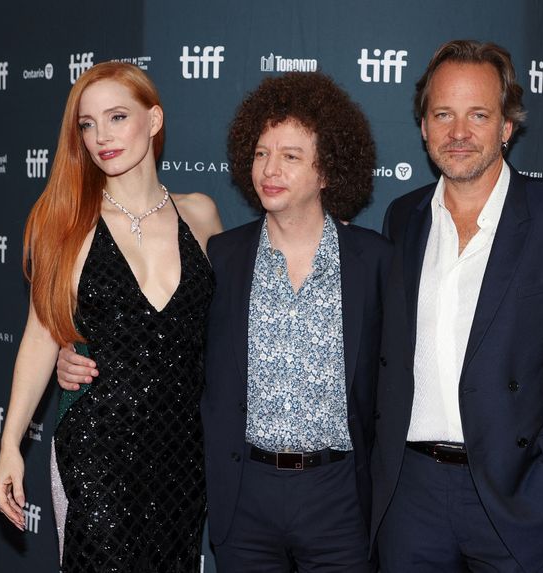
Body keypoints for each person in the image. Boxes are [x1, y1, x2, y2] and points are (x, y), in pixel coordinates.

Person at [57, 71, 391, 572]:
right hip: (246, 496)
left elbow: (396, 384)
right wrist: (76, 351)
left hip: (338, 496)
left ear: (327, 172)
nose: (269, 169)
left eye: (290, 156)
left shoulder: (372, 260)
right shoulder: (226, 255)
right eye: (260, 154)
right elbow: (166, 331)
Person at [370, 40, 543, 573]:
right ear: (423, 125)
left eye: (478, 115)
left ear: (506, 126)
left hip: (519, 494)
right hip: (410, 495)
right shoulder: (403, 218)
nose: (458, 133)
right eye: (443, 114)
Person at [0, 61, 222, 572]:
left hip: (183, 455)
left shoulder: (200, 215)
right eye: (87, 124)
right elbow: (39, 337)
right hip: (98, 452)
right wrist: (10, 446)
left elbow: (219, 333)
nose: (101, 137)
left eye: (117, 117)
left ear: (154, 120)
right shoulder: (68, 223)